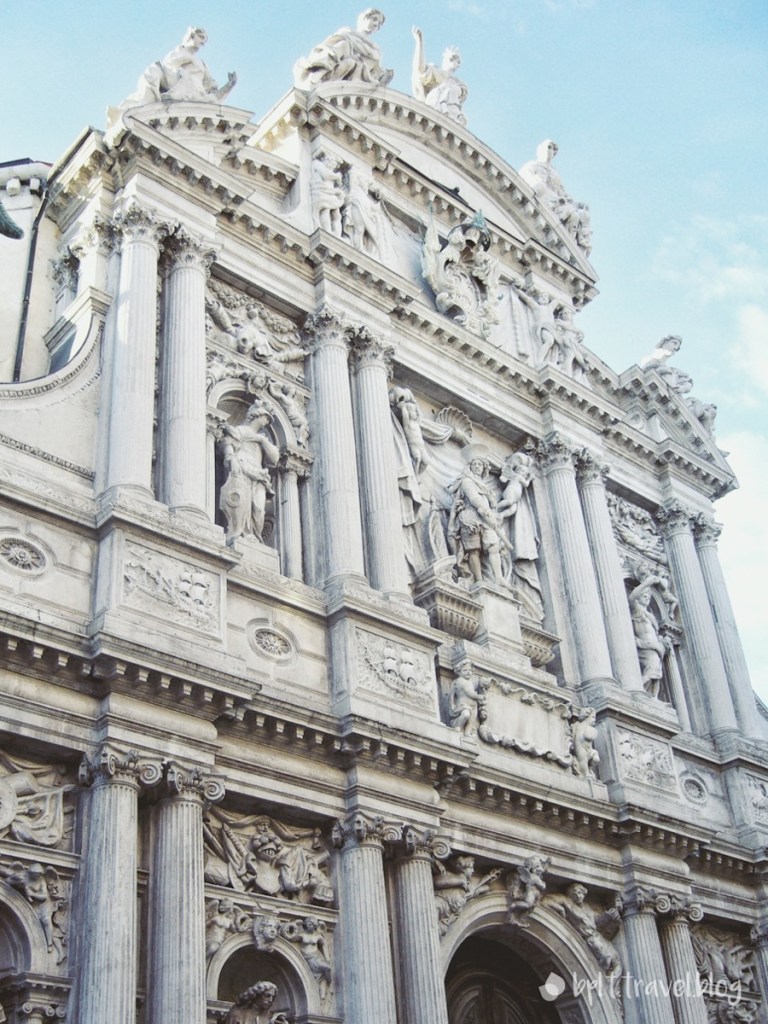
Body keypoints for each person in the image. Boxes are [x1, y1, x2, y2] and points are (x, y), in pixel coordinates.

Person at [108, 27, 236, 126]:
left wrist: (230, 85)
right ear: (191, 36)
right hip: (179, 91)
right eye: (201, 37)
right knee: (161, 72)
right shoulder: (178, 53)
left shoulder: (202, 64)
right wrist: (186, 58)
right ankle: (142, 107)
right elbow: (169, 67)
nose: (203, 41)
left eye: (205, 39)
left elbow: (213, 93)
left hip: (197, 97)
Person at [218, 400, 279, 544]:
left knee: (258, 509)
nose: (267, 422)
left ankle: (255, 536)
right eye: (266, 418)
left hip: (259, 476)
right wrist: (231, 458)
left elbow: (274, 459)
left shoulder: (262, 439)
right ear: (257, 415)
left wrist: (262, 440)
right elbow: (227, 443)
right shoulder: (240, 430)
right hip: (242, 468)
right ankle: (240, 533)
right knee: (241, 502)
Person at [447, 445, 506, 583]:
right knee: (474, 550)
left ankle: (499, 578)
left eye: (480, 464)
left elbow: (491, 504)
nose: (477, 466)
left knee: (493, 546)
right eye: (474, 464)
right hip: (470, 518)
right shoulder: (466, 481)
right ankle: (479, 581)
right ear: (470, 466)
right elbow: (473, 498)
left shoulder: (485, 487)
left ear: (484, 467)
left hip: (486, 519)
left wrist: (492, 514)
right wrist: (486, 511)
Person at [519, 140, 591, 253]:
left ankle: (568, 250)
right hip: (541, 195)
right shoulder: (532, 165)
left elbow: (562, 193)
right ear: (540, 150)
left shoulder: (554, 173)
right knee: (542, 189)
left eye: (552, 149)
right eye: (548, 147)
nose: (550, 151)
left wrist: (577, 204)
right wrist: (538, 183)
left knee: (576, 216)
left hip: (555, 200)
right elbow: (524, 178)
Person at [294, 9, 393, 89]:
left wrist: (385, 76)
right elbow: (329, 45)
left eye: (379, 24)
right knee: (344, 45)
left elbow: (375, 73)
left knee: (350, 62)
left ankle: (318, 77)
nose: (376, 24)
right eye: (374, 19)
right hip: (336, 65)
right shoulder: (347, 32)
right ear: (364, 19)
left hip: (355, 73)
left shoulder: (375, 50)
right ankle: (319, 74)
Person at [411, 27, 468, 125]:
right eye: (452, 58)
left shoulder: (458, 83)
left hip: (452, 118)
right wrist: (419, 43)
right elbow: (419, 69)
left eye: (458, 61)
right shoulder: (435, 72)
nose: (456, 63)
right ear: (445, 59)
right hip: (433, 112)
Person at [628, 577, 670, 698]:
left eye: (648, 596)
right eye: (644, 595)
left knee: (657, 674)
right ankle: (640, 691)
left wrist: (662, 641)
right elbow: (632, 597)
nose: (647, 597)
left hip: (656, 649)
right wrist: (647, 583)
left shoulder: (650, 616)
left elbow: (655, 634)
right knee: (652, 671)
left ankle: (653, 698)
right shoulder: (637, 611)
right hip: (645, 647)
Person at [449, 659, 489, 735]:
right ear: (459, 672)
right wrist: (480, 697)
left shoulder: (469, 681)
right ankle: (457, 725)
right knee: (465, 714)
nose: (468, 672)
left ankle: (467, 732)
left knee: (471, 721)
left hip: (473, 706)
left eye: (470, 670)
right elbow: (469, 693)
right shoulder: (460, 681)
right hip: (463, 705)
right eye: (465, 670)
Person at [224, 981, 289, 1024]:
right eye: (267, 996)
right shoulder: (237, 1014)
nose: (270, 1000)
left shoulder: (271, 1018)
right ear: (257, 995)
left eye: (273, 997)